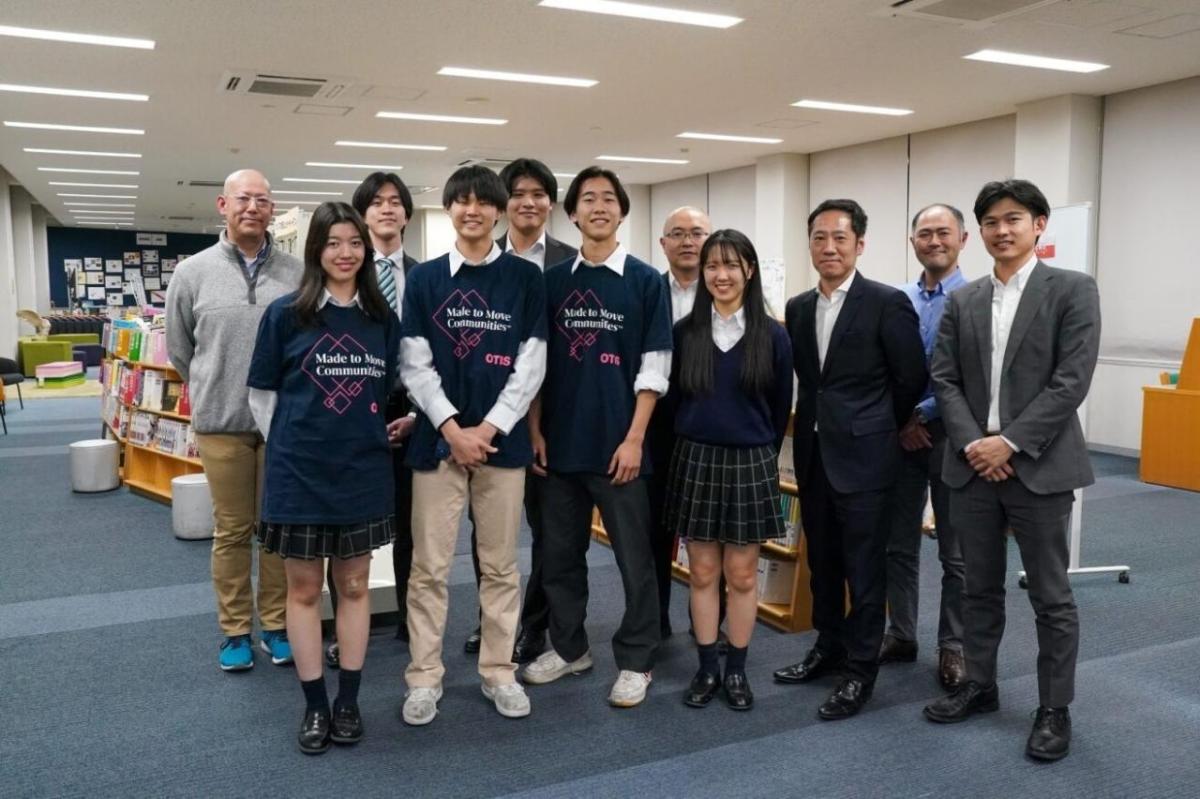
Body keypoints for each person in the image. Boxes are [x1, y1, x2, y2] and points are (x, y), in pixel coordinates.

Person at [923, 179, 1101, 763]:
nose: (1003, 230)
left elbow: (1070, 382)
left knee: (1051, 597)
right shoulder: (964, 298)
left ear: (1039, 225)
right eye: (992, 221)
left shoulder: (1072, 289)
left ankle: (1054, 708)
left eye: (1015, 219)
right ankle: (980, 683)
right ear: (980, 233)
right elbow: (944, 378)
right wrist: (977, 443)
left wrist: (1011, 444)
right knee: (977, 588)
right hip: (972, 469)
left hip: (1040, 467)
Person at [246, 201, 399, 754]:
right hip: (299, 475)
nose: (344, 253)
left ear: (366, 248)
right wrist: (294, 442)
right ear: (315, 249)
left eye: (354, 242)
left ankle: (349, 701)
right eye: (333, 242)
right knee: (305, 591)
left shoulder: (381, 320)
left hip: (362, 473)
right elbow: (261, 396)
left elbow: (389, 392)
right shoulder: (287, 314)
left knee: (355, 586)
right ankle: (314, 705)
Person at [398, 165, 547, 726]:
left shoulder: (525, 280)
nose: (473, 210)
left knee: (501, 566)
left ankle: (498, 671)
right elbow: (414, 361)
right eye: (461, 201)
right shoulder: (429, 279)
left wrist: (488, 430)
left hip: (501, 449)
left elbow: (532, 362)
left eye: (484, 202)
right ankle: (424, 677)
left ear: (500, 210)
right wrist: (452, 429)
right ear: (450, 209)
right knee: (430, 569)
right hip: (438, 448)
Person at [522, 166, 671, 709]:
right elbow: (534, 364)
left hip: (620, 450)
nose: (599, 207)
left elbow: (655, 369)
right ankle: (569, 647)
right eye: (588, 199)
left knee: (636, 561)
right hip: (559, 447)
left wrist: (634, 440)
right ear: (573, 213)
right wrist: (535, 429)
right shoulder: (551, 282)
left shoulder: (644, 281)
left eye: (609, 199)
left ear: (622, 211)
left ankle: (636, 660)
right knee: (559, 556)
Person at [773, 198, 926, 720]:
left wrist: (876, 424)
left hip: (866, 458)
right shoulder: (797, 308)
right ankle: (828, 647)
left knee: (864, 571)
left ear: (860, 244)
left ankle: (861, 670)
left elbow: (909, 379)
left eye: (840, 237)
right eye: (820, 237)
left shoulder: (886, 303)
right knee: (823, 565)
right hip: (814, 458)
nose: (829, 246)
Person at [165, 169, 302, 672]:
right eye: (243, 199)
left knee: (277, 529)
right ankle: (233, 632)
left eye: (263, 200)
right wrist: (211, 386)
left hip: (280, 425)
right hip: (221, 424)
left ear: (272, 210)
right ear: (223, 205)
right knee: (232, 530)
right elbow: (182, 350)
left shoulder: (296, 272)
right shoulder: (192, 272)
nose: (253, 207)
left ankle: (276, 625)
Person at [664, 229, 792, 711]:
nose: (721, 275)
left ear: (749, 271)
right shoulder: (685, 333)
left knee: (740, 576)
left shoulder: (773, 334)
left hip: (750, 460)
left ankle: (736, 669)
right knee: (701, 572)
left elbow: (780, 409)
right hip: (695, 457)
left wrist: (756, 448)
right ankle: (706, 668)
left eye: (731, 265)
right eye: (712, 266)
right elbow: (674, 402)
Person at [461, 157, 578, 661]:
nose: (528, 202)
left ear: (550, 203)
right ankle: (490, 621)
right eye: (518, 193)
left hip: (556, 418)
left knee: (550, 531)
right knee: (488, 530)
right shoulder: (481, 261)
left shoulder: (573, 263)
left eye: (538, 193)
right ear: (502, 204)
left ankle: (534, 623)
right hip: (490, 420)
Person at [325, 171, 419, 669]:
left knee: (411, 525)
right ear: (362, 216)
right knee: (345, 526)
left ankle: (410, 621)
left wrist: (422, 413)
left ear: (406, 213)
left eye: (395, 202)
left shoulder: (426, 276)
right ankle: (343, 629)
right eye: (376, 203)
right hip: (352, 408)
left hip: (413, 409)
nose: (387, 209)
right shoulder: (343, 280)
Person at [879, 204, 970, 690]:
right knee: (899, 543)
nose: (933, 241)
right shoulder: (899, 300)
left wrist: (924, 414)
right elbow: (887, 366)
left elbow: (969, 374)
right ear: (912, 240)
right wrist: (903, 419)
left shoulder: (977, 297)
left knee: (954, 551)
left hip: (954, 435)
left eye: (943, 233)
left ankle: (952, 647)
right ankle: (902, 634)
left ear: (962, 239)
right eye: (924, 233)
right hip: (901, 434)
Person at [647, 206, 713, 639]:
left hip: (709, 424)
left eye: (697, 233)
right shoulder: (646, 290)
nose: (688, 241)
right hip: (654, 422)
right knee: (655, 526)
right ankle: (656, 618)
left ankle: (710, 623)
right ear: (663, 244)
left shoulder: (731, 288)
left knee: (710, 529)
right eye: (678, 233)